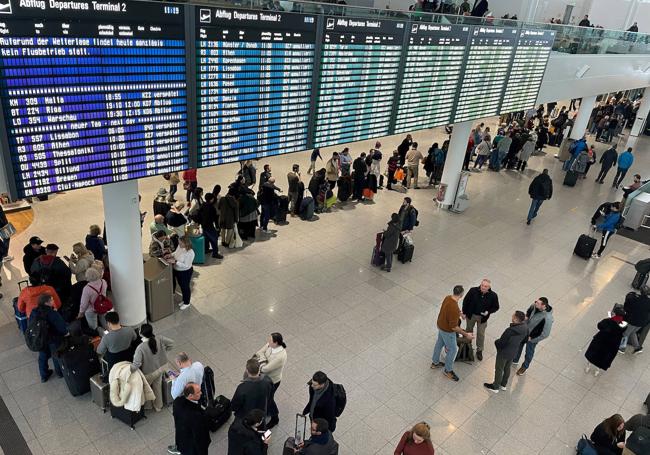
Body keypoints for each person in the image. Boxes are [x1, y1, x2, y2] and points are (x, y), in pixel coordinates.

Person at [431, 285, 474, 382]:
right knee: (453, 349)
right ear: (462, 294)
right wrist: (466, 334)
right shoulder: (454, 308)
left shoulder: (448, 297)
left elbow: (455, 308)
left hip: (440, 325)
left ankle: (435, 362)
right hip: (447, 331)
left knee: (439, 343)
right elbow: (454, 327)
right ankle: (448, 370)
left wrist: (460, 313)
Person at [131, 323, 175, 412]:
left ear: (141, 334)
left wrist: (129, 371)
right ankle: (158, 406)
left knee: (146, 388)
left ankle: (148, 406)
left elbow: (136, 364)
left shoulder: (140, 348)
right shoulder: (159, 338)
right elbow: (171, 343)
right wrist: (164, 353)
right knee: (157, 387)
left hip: (148, 373)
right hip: (160, 368)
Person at [483, 311, 528, 393]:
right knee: (507, 368)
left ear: (515, 319)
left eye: (513, 315)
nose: (512, 316)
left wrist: (496, 342)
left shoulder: (510, 331)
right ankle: (503, 385)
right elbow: (525, 340)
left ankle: (495, 386)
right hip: (513, 351)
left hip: (504, 352)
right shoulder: (525, 328)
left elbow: (501, 343)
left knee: (499, 369)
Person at [31, 293, 68, 382]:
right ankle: (59, 373)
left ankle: (44, 375)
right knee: (55, 355)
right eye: (51, 300)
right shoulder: (52, 313)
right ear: (46, 303)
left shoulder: (34, 311)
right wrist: (66, 333)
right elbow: (61, 326)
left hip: (40, 339)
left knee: (42, 356)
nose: (53, 301)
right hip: (53, 339)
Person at [254, 332, 287, 429]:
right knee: (268, 398)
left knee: (269, 400)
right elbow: (259, 352)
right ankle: (268, 411)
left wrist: (261, 361)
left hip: (273, 381)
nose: (268, 342)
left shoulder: (280, 356)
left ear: (276, 343)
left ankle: (275, 418)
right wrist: (264, 360)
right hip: (265, 378)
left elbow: (265, 369)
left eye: (270, 340)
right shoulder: (270, 345)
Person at [462, 279, 500, 361]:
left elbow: (496, 307)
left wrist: (488, 312)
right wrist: (464, 312)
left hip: (482, 318)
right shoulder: (473, 291)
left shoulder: (493, 296)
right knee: (468, 330)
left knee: (481, 333)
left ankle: (479, 350)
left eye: (485, 286)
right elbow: (466, 301)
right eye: (482, 285)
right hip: (471, 315)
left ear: (489, 287)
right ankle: (467, 346)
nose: (483, 287)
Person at [514, 297, 553, 376]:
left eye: (538, 303)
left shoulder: (547, 318)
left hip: (532, 338)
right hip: (525, 331)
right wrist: (526, 318)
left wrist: (533, 339)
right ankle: (515, 359)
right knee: (519, 345)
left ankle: (524, 367)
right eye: (536, 302)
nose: (535, 304)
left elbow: (545, 334)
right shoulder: (534, 306)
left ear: (544, 306)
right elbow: (528, 312)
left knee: (529, 352)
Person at [585, 306, 626, 376]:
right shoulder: (624, 325)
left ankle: (588, 366)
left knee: (593, 354)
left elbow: (599, 326)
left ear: (615, 314)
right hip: (612, 345)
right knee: (603, 357)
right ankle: (597, 371)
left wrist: (609, 318)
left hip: (600, 341)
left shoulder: (607, 321)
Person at [172, 383, 211, 455]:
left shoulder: (177, 402)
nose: (201, 393)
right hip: (193, 448)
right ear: (190, 395)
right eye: (198, 392)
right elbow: (199, 437)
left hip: (181, 440)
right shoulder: (196, 416)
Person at [619, 289, 650, 354]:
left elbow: (627, 307)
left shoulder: (636, 300)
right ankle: (637, 348)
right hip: (642, 322)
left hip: (634, 321)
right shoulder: (648, 301)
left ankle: (622, 348)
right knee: (633, 333)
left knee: (626, 333)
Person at [77, 266, 107, 332]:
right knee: (104, 320)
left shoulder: (87, 288)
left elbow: (84, 303)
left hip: (91, 309)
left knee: (94, 326)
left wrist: (81, 313)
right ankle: (108, 330)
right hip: (102, 305)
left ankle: (99, 334)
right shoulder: (103, 282)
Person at [198, 193, 223, 259]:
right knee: (214, 239)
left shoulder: (203, 205)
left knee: (206, 238)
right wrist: (217, 227)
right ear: (211, 199)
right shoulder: (212, 208)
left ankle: (206, 249)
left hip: (203, 225)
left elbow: (199, 214)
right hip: (209, 225)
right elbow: (215, 218)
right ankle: (215, 253)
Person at [172, 236, 195, 310]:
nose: (179, 244)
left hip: (185, 272)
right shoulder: (179, 246)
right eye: (179, 242)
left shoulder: (190, 252)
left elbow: (186, 265)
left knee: (185, 287)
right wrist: (171, 255)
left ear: (186, 243)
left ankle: (187, 303)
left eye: (181, 243)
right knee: (181, 285)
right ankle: (184, 299)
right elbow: (176, 253)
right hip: (177, 270)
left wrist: (175, 262)